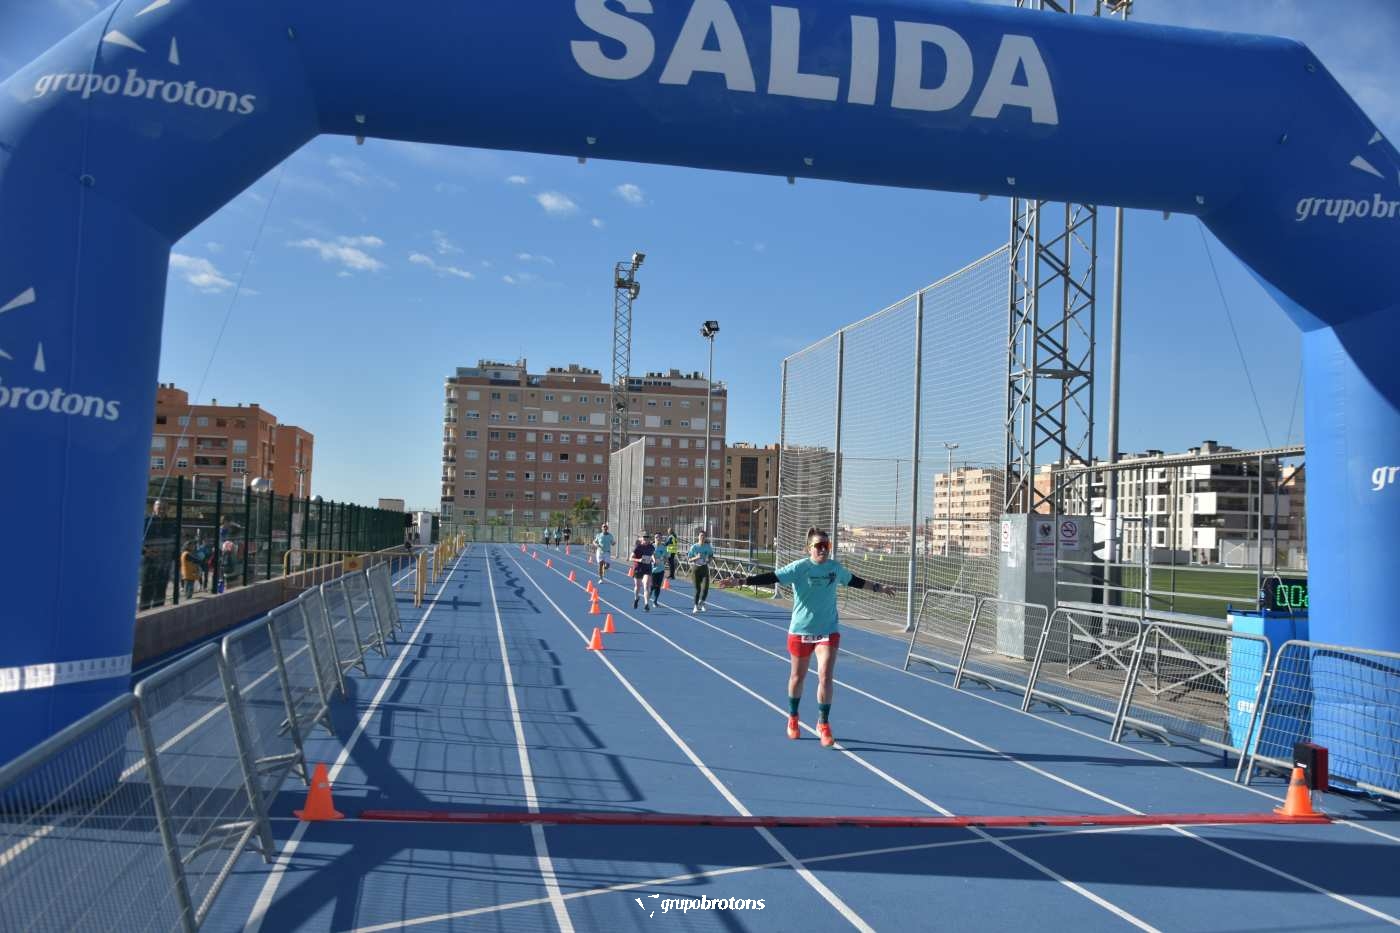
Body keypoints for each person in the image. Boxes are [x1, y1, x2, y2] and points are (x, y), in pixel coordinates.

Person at [716, 527, 896, 748]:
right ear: (808, 548)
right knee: (797, 678)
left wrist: (879, 587)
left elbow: (855, 581)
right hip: (801, 631)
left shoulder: (834, 568)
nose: (823, 550)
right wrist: (740, 581)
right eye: (818, 546)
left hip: (827, 630)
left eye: (826, 546)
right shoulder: (799, 568)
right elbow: (771, 577)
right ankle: (793, 717)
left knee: (825, 676)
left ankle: (823, 723)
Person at [687, 530, 715, 613]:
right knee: (697, 589)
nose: (702, 537)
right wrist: (696, 557)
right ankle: (695, 606)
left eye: (704, 536)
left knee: (705, 588)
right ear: (698, 537)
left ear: (705, 537)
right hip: (696, 569)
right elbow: (689, 559)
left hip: (704, 568)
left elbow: (711, 555)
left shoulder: (708, 547)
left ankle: (701, 602)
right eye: (701, 535)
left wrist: (709, 560)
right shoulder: (694, 547)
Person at [629, 533, 656, 609]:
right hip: (638, 568)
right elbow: (631, 558)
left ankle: (646, 604)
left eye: (647, 538)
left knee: (646, 585)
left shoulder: (651, 547)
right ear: (642, 539)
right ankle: (636, 598)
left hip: (647, 568)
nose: (646, 539)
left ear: (649, 539)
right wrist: (639, 560)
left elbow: (652, 554)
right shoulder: (638, 547)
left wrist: (654, 560)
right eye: (644, 538)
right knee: (637, 586)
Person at [647, 535, 668, 609]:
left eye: (659, 537)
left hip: (661, 569)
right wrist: (653, 560)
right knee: (652, 586)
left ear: (661, 539)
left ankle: (655, 602)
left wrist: (663, 560)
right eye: (656, 537)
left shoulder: (663, 547)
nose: (658, 539)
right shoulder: (651, 546)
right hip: (652, 570)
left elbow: (666, 557)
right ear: (654, 538)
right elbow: (649, 555)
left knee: (658, 587)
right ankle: (647, 599)